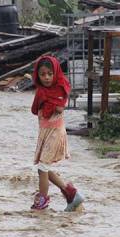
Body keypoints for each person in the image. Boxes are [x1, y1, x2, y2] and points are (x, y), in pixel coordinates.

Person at [30, 55, 84, 211]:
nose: (46, 77)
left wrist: (53, 104)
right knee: (44, 168)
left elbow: (60, 106)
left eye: (50, 74)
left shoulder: (60, 88)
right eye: (42, 74)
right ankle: (71, 194)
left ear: (56, 73)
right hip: (44, 132)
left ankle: (42, 202)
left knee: (42, 168)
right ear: (38, 75)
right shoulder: (41, 91)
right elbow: (35, 109)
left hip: (55, 132)